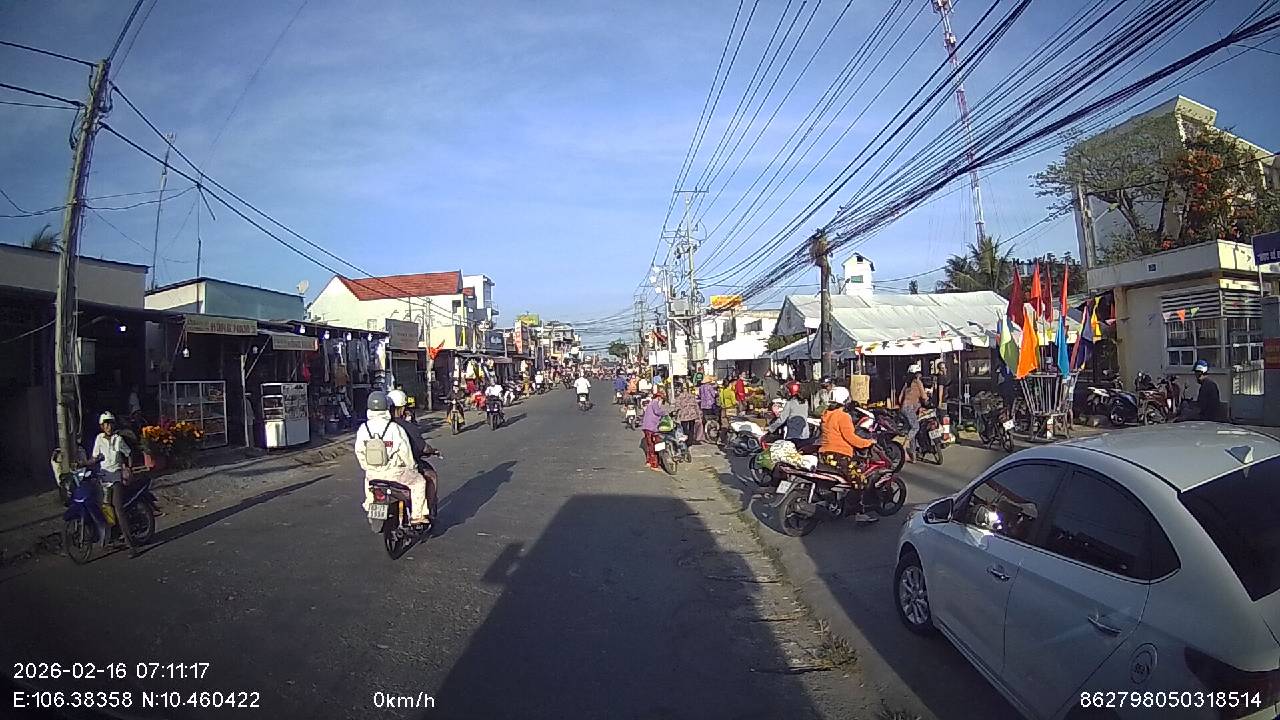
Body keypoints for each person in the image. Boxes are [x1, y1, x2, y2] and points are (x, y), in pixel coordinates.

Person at [355, 391, 430, 525]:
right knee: (419, 482)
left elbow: (359, 451)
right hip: (395, 474)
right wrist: (412, 468)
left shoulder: (363, 429)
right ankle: (417, 516)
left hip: (373, 475)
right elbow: (405, 452)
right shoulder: (394, 428)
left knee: (369, 482)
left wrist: (368, 467)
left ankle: (370, 504)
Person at [818, 396, 879, 524]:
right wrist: (868, 442)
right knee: (860, 479)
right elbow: (851, 438)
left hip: (825, 455)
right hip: (840, 456)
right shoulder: (843, 416)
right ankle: (858, 513)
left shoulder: (826, 415)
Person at [88, 412, 140, 557]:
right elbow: (94, 458)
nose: (108, 427)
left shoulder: (118, 439)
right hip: (104, 477)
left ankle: (131, 546)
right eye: (106, 424)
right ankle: (111, 538)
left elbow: (128, 453)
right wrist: (83, 463)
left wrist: (129, 468)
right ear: (102, 426)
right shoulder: (99, 439)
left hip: (116, 476)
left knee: (118, 508)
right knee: (104, 508)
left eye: (110, 424)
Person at [386, 389, 438, 521]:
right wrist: (433, 451)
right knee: (430, 477)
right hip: (403, 468)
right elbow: (423, 447)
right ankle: (423, 513)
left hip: (379, 470)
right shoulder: (407, 427)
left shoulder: (379, 427)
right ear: (403, 408)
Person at [899, 370, 927, 463]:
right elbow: (924, 396)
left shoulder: (907, 383)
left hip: (903, 408)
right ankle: (904, 446)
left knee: (911, 432)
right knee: (915, 427)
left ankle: (913, 456)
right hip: (909, 408)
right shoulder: (918, 382)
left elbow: (900, 398)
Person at [640, 390, 668, 470]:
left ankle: (649, 461)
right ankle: (654, 464)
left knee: (649, 445)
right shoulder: (655, 403)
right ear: (659, 398)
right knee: (655, 445)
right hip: (651, 427)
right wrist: (665, 413)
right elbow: (657, 412)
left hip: (646, 426)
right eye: (662, 400)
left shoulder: (650, 404)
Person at [698, 375, 719, 441]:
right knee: (712, 418)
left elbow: (700, 395)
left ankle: (705, 433)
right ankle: (712, 431)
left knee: (705, 419)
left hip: (703, 405)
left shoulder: (701, 387)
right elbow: (713, 395)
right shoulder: (710, 387)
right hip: (710, 405)